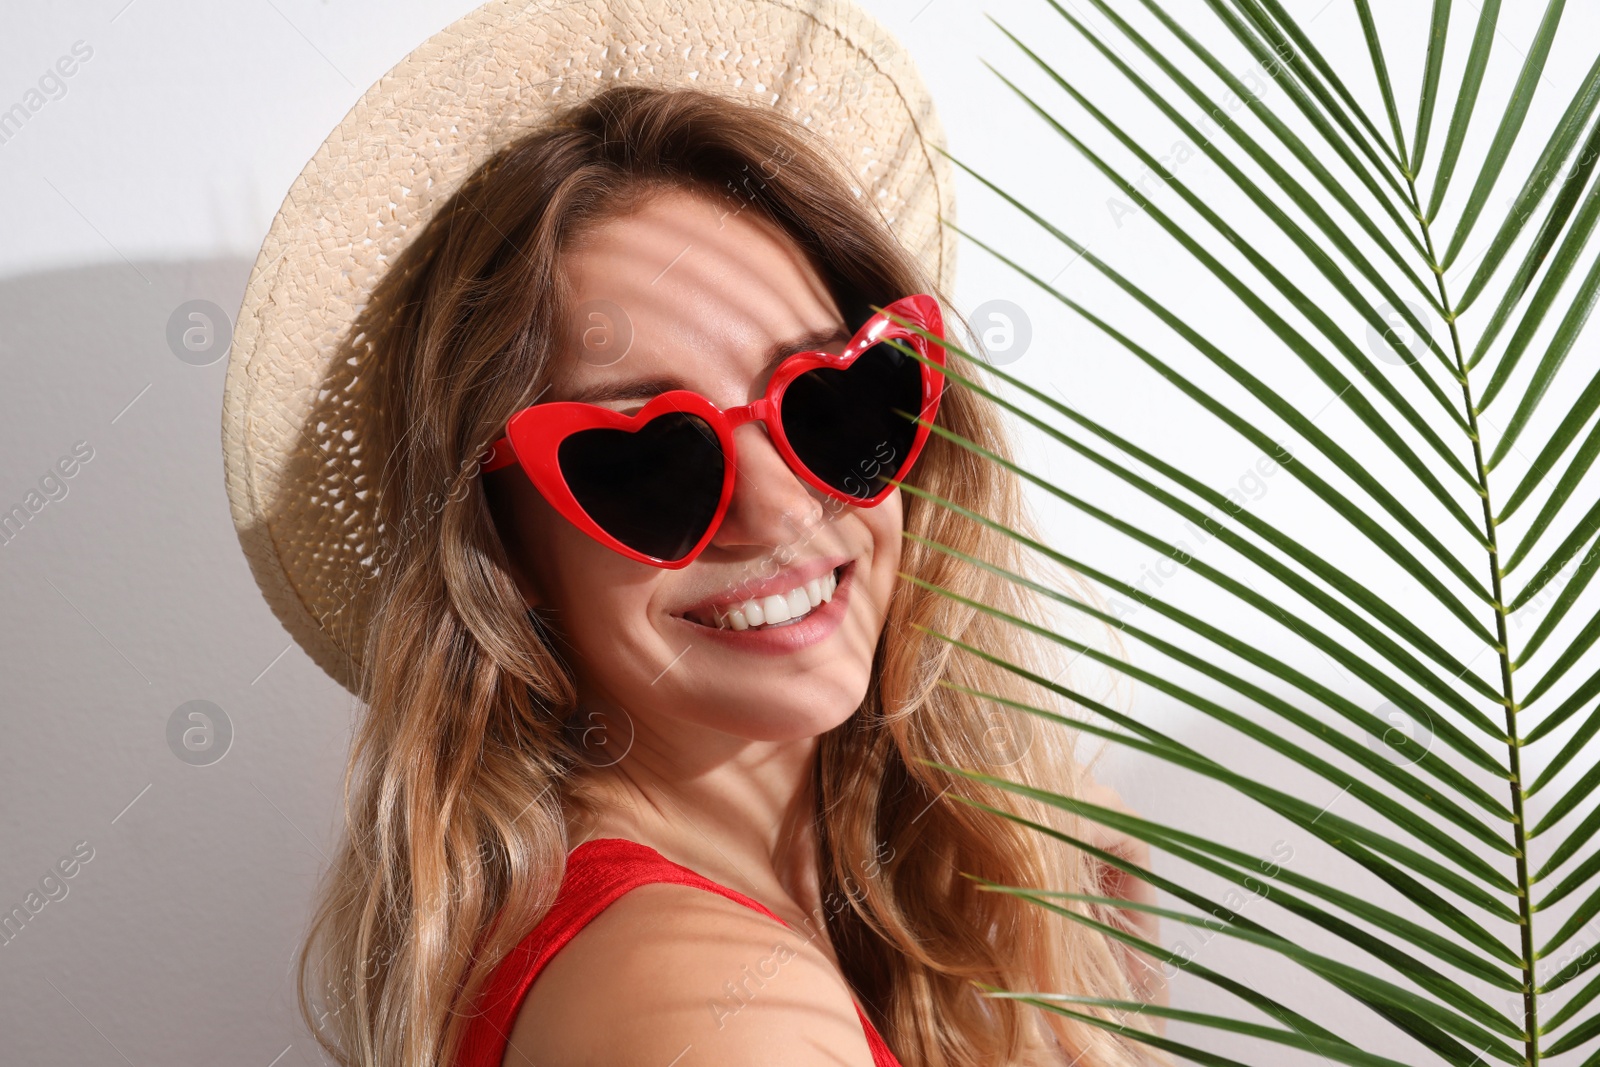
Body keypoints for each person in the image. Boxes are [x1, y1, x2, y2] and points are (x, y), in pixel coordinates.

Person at [221, 5, 1167, 1065]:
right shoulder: (722, 1017)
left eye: (837, 402)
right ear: (506, 553)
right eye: (648, 462)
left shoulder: (913, 891)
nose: (778, 510)